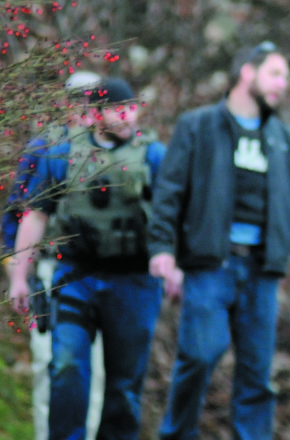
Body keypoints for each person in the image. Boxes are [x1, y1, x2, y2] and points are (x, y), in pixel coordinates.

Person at [148, 41, 290, 439]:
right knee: (199, 356)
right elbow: (169, 193)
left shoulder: (281, 138)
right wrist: (163, 248)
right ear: (247, 73)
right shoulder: (198, 126)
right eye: (275, 74)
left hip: (262, 270)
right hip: (210, 265)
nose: (282, 85)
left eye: (285, 77)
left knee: (257, 376)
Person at [6, 78, 166, 440]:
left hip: (134, 282)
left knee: (124, 385)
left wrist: (175, 265)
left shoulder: (153, 155)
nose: (127, 116)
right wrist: (19, 276)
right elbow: (35, 215)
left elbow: (175, 215)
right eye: (117, 109)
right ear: (96, 115)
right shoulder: (63, 154)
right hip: (75, 278)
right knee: (66, 367)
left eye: (132, 107)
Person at [2, 71, 107, 440]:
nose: (84, 107)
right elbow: (17, 211)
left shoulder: (114, 150)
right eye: (77, 99)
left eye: (92, 99)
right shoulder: (43, 147)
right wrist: (17, 269)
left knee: (97, 370)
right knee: (54, 364)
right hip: (49, 272)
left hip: (101, 275)